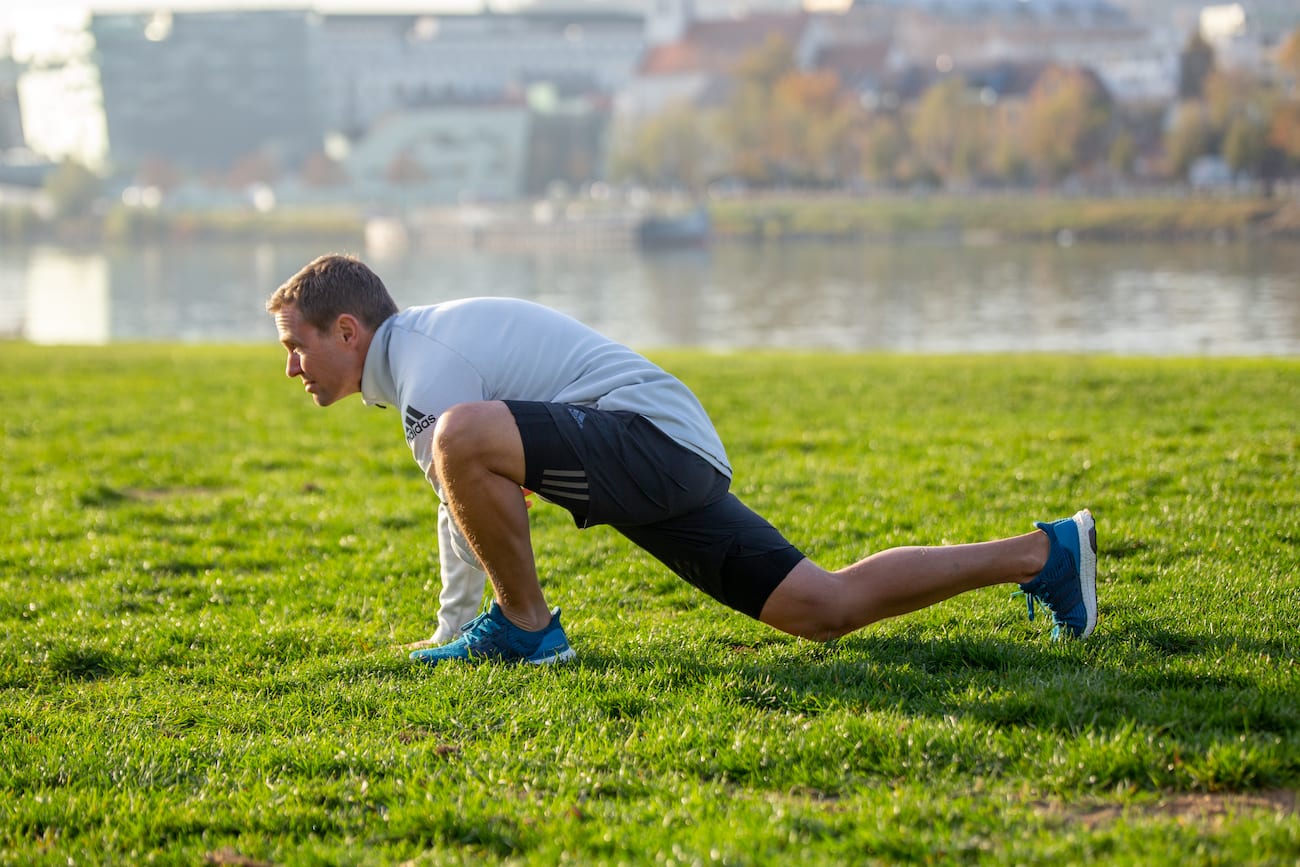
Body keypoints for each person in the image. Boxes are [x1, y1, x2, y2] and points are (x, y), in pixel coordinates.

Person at [266, 253, 1098, 666]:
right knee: (822, 607)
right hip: (662, 453)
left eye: (296, 346)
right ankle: (1046, 552)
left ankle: (528, 632)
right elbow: (465, 503)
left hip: (647, 437)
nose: (291, 368)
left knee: (460, 439)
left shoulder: (421, 358)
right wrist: (449, 631)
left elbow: (465, 479)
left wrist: (464, 629)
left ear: (348, 330)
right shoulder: (410, 368)